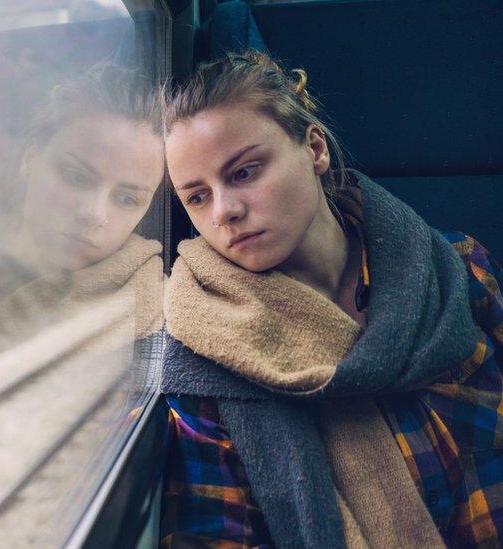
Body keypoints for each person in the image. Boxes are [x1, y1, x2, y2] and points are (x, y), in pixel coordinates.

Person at [160, 50, 503, 548]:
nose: (225, 211)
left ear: (315, 150)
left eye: (244, 172)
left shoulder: (460, 268)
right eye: (197, 197)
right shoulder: (208, 359)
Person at [0, 65, 168, 350]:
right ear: (30, 157)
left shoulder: (163, 318)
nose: (93, 214)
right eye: (77, 177)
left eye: (127, 199)